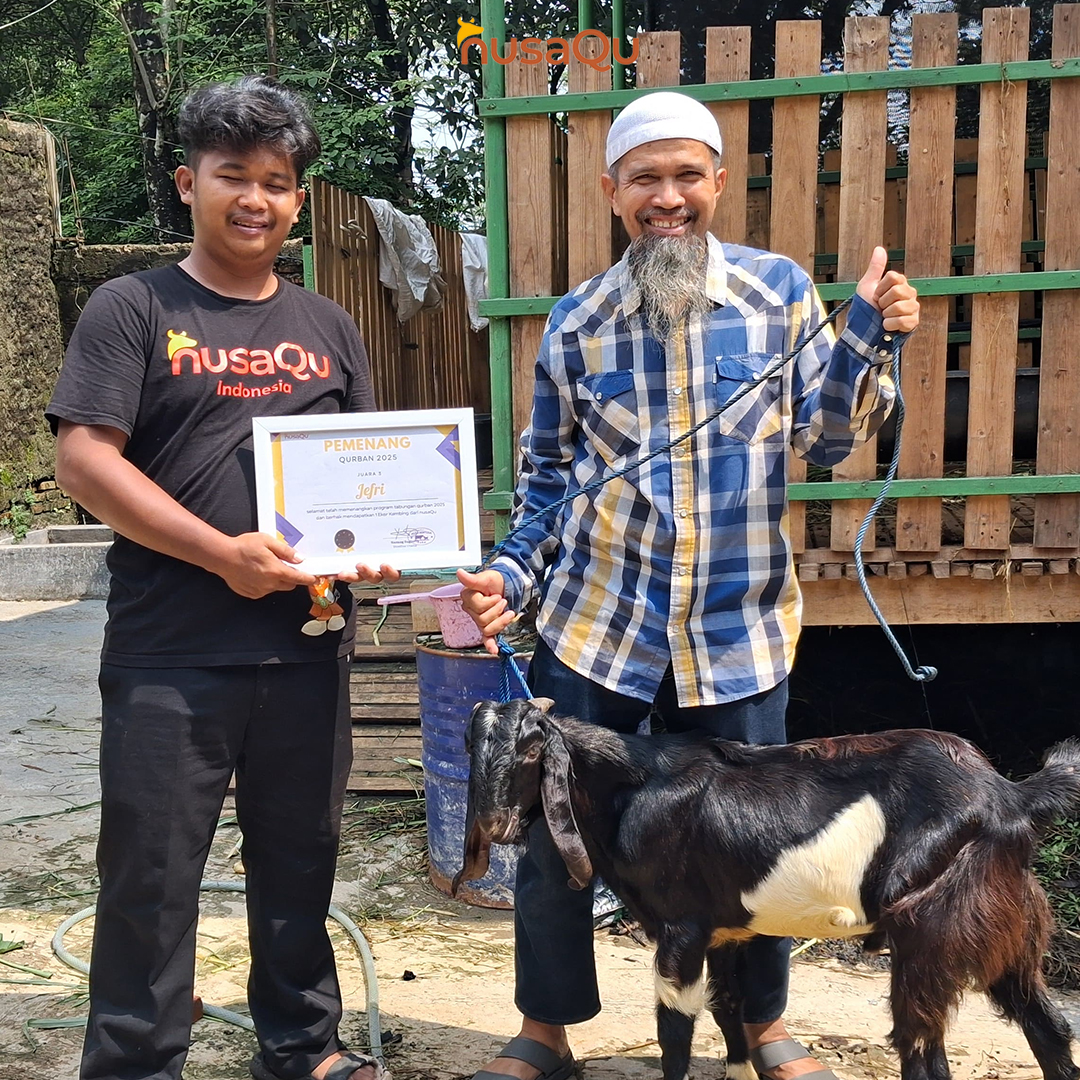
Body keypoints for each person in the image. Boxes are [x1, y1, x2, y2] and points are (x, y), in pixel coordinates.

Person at [457, 90, 920, 1080]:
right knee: (555, 837)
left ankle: (761, 1029)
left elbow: (828, 443)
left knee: (761, 846)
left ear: (718, 182)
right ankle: (545, 1030)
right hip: (597, 627)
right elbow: (547, 483)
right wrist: (509, 575)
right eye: (645, 179)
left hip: (737, 631)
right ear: (612, 191)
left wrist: (871, 340)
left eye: (685, 177)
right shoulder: (576, 323)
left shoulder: (777, 294)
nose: (666, 198)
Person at [47, 76, 396, 1080]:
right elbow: (85, 462)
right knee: (150, 873)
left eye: (276, 182)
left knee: (301, 860)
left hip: (306, 649)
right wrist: (220, 555)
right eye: (232, 174)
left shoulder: (328, 324)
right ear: (187, 183)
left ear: (298, 201)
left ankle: (302, 1045)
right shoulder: (134, 306)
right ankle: (136, 1061)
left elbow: (368, 476)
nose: (255, 198)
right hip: (171, 649)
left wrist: (380, 544)